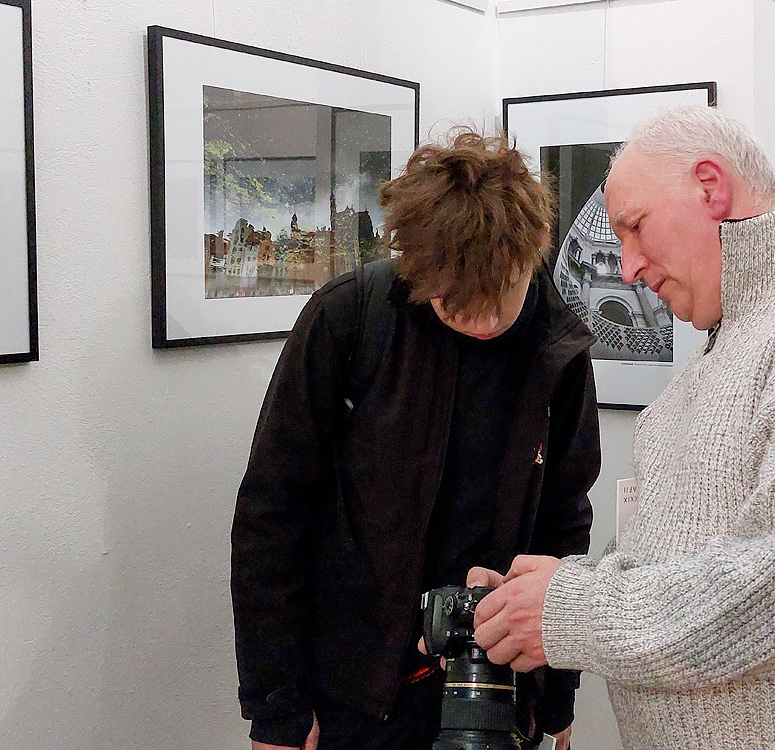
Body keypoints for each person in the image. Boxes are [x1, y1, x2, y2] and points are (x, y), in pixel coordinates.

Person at [469, 107, 775, 749]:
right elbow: (664, 565)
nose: (629, 268)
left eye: (635, 229)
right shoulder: (700, 376)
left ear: (710, 186)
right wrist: (550, 590)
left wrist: (568, 613)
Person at [231, 130, 600, 750]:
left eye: (499, 298)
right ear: (419, 271)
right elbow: (272, 517)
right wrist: (278, 710)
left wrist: (556, 695)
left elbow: (565, 527)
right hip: (355, 695)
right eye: (456, 305)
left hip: (498, 691)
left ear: (532, 256)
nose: (482, 323)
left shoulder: (557, 351)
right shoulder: (348, 319)